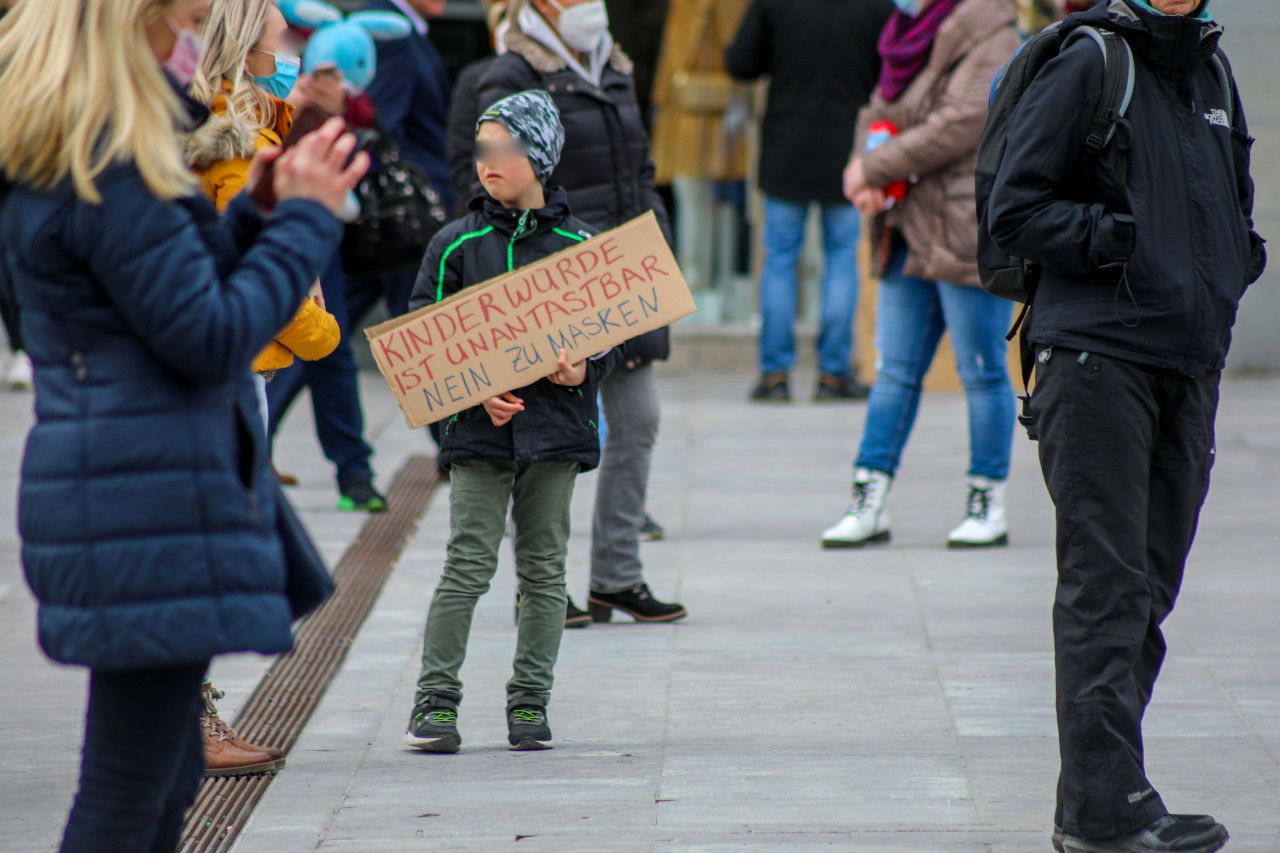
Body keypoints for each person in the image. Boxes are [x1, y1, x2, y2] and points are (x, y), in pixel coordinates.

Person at [0, 0, 366, 847]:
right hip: (142, 496)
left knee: (161, 783)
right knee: (130, 796)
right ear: (138, 27)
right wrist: (307, 222)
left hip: (133, 487)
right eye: (185, 28)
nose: (194, 50)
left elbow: (164, 295)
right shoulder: (109, 160)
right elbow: (209, 337)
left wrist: (259, 210)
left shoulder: (84, 153)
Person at [987, 1, 1264, 850]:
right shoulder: (1092, 61)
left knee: (1147, 590)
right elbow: (1015, 209)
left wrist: (1232, 259)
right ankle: (1102, 812)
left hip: (1188, 363)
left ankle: (1108, 794)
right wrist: (1125, 242)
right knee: (1105, 591)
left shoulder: (1211, 68)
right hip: (1097, 361)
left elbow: (1233, 200)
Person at [402, 91, 623, 753]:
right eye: (482, 148)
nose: (490, 162)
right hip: (478, 436)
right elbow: (423, 340)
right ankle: (435, 700)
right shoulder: (454, 244)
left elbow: (608, 336)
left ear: (542, 157)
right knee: (468, 564)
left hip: (555, 434)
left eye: (507, 148)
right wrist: (474, 396)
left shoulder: (581, 246)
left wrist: (584, 370)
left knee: (545, 569)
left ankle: (531, 701)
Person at [470, 0, 687, 625]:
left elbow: (640, 170)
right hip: (551, 277)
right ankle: (542, 587)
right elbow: (487, 176)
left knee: (638, 419)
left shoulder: (613, 66)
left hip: (623, 273)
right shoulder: (511, 73)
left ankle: (617, 577)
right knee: (541, 439)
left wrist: (657, 240)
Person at [185, 0, 342, 777]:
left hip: (240, 371)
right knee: (222, 551)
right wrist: (322, 333)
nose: (288, 35)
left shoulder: (257, 123)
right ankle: (195, 721)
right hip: (237, 371)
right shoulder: (237, 144)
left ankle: (193, 718)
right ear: (250, 38)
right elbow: (250, 278)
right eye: (278, 25)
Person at [820, 0, 1019, 551]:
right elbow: (879, 108)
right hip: (906, 225)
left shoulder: (991, 28)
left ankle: (986, 501)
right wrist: (863, 166)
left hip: (962, 226)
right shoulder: (907, 31)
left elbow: (961, 122)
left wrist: (874, 167)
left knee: (981, 373)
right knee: (895, 372)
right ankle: (869, 498)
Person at [726, 0, 894, 403]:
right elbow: (890, 73)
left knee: (781, 260)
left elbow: (741, 63)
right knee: (841, 259)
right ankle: (834, 373)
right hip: (849, 149)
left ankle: (775, 376)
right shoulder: (877, 7)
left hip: (787, 144)